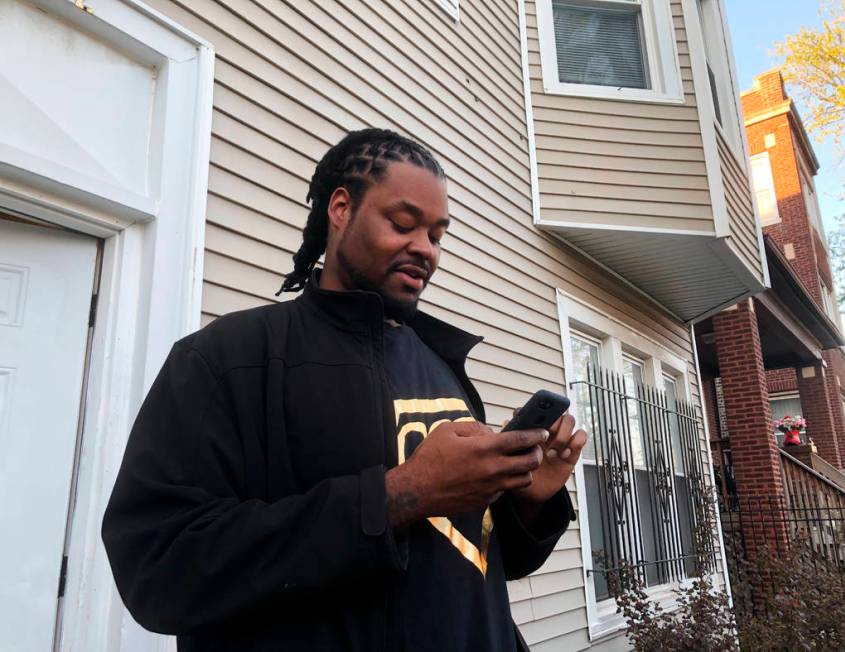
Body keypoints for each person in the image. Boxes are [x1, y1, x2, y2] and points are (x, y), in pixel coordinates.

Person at [102, 128, 586, 651]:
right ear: (340, 209)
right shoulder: (229, 358)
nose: (424, 249)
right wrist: (400, 495)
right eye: (403, 224)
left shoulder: (441, 364)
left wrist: (528, 505)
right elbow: (158, 566)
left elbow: (475, 558)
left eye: (437, 235)